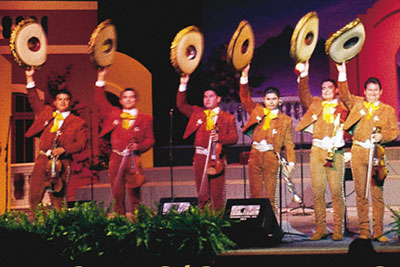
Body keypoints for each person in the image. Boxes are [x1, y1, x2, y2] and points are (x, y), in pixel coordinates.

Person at [337, 62, 399, 242]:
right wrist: (342, 73)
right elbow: (344, 95)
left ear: (380, 92)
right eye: (369, 90)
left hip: (376, 155)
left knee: (377, 193)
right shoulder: (357, 104)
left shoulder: (388, 110)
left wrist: (382, 137)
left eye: (375, 90)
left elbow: (394, 132)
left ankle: (378, 231)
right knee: (360, 193)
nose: (372, 93)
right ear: (364, 92)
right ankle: (364, 229)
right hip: (358, 152)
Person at [295, 61, 348, 241]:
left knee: (336, 192)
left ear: (335, 91)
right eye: (323, 88)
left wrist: (342, 73)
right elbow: (304, 96)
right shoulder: (316, 104)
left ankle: (339, 228)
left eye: (329, 88)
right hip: (316, 151)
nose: (325, 90)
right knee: (318, 192)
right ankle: (321, 228)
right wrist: (305, 73)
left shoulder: (343, 107)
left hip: (335, 152)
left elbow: (347, 95)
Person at [25, 68, 88, 209]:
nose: (63, 102)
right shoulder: (47, 113)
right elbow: (34, 100)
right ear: (54, 102)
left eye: (66, 100)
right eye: (60, 99)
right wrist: (29, 78)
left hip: (62, 162)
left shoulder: (78, 122)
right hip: (42, 160)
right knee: (34, 197)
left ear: (70, 102)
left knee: (58, 200)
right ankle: (38, 227)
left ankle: (58, 227)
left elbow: (81, 143)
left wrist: (64, 149)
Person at [96, 68, 154, 216]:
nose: (128, 99)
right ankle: (120, 222)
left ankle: (137, 223)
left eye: (131, 97)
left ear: (136, 100)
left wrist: (139, 146)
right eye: (125, 97)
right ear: (121, 100)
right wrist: (101, 77)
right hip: (116, 158)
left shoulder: (145, 119)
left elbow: (150, 140)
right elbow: (100, 101)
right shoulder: (114, 114)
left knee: (134, 194)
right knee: (117, 193)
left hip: (133, 159)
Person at [177, 74, 238, 211]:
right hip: (199, 157)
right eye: (205, 97)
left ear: (218, 99)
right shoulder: (198, 113)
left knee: (217, 195)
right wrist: (183, 85)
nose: (208, 99)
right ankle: (204, 223)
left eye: (211, 96)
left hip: (216, 159)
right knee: (202, 194)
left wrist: (220, 138)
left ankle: (217, 223)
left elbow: (234, 138)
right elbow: (181, 105)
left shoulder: (228, 118)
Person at [239, 64, 296, 212]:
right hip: (255, 155)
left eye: (274, 99)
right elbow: (245, 98)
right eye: (268, 98)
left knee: (271, 194)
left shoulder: (285, 120)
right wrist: (244, 76)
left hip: (271, 156)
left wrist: (291, 163)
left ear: (279, 100)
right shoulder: (257, 111)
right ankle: (256, 226)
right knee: (255, 193)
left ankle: (271, 225)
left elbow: (289, 143)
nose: (271, 101)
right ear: (264, 100)